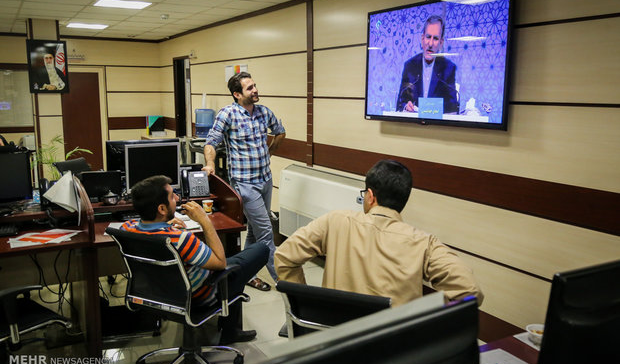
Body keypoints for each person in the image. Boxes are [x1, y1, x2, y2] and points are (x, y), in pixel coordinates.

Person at [274, 160, 483, 307]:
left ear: (370, 196)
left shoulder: (335, 221)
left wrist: (307, 306)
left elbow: (284, 257)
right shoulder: (424, 243)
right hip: (392, 353)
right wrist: (419, 316)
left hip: (336, 344)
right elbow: (470, 291)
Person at [121, 175, 269, 345]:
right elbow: (220, 262)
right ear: (161, 209)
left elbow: (147, 227)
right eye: (172, 196)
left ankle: (230, 330)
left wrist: (167, 223)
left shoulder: (127, 229)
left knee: (236, 265)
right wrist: (205, 221)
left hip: (157, 293)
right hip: (197, 297)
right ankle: (229, 332)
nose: (177, 198)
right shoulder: (181, 239)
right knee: (258, 251)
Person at [202, 72, 286, 292]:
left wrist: (269, 152)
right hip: (244, 183)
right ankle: (283, 280)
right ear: (237, 94)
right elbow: (211, 142)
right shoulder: (227, 114)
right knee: (266, 232)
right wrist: (210, 164)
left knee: (253, 231)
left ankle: (243, 273)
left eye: (255, 86)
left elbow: (280, 132)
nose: (255, 90)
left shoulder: (264, 112)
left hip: (265, 180)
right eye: (249, 88)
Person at [396, 15, 459, 114]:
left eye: (435, 38)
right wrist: (406, 107)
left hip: (438, 127)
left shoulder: (448, 68)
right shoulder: (410, 66)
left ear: (441, 43)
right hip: (411, 125)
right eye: (428, 37)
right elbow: (400, 103)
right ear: (422, 39)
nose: (430, 44)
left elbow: (453, 108)